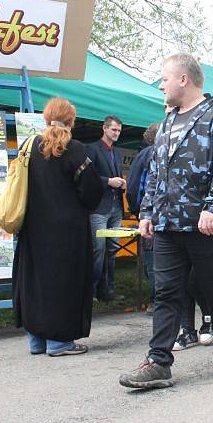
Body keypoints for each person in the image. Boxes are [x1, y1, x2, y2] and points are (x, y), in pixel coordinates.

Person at [119, 53, 213, 390]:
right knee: (166, 293)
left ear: (184, 80)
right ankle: (159, 361)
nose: (161, 85)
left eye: (164, 78)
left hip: (205, 223)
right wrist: (146, 213)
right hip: (167, 224)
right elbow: (156, 172)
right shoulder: (168, 122)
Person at [13, 98, 104, 356]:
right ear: (71, 121)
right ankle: (59, 341)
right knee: (64, 282)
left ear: (46, 118)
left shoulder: (29, 146)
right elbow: (92, 190)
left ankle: (36, 340)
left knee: (35, 281)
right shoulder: (74, 149)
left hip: (33, 228)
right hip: (68, 230)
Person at [87, 115, 126, 302]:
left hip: (116, 206)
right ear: (104, 129)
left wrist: (122, 183)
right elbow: (88, 177)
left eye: (119, 130)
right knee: (98, 250)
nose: (117, 133)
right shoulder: (93, 149)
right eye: (114, 130)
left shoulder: (116, 153)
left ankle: (108, 290)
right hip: (99, 207)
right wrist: (108, 181)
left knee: (112, 250)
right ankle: (91, 291)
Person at [126, 122, 160, 311]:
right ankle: (161, 301)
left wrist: (135, 210)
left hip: (147, 213)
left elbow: (132, 186)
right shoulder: (157, 153)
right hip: (162, 213)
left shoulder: (143, 155)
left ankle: (157, 301)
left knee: (152, 259)